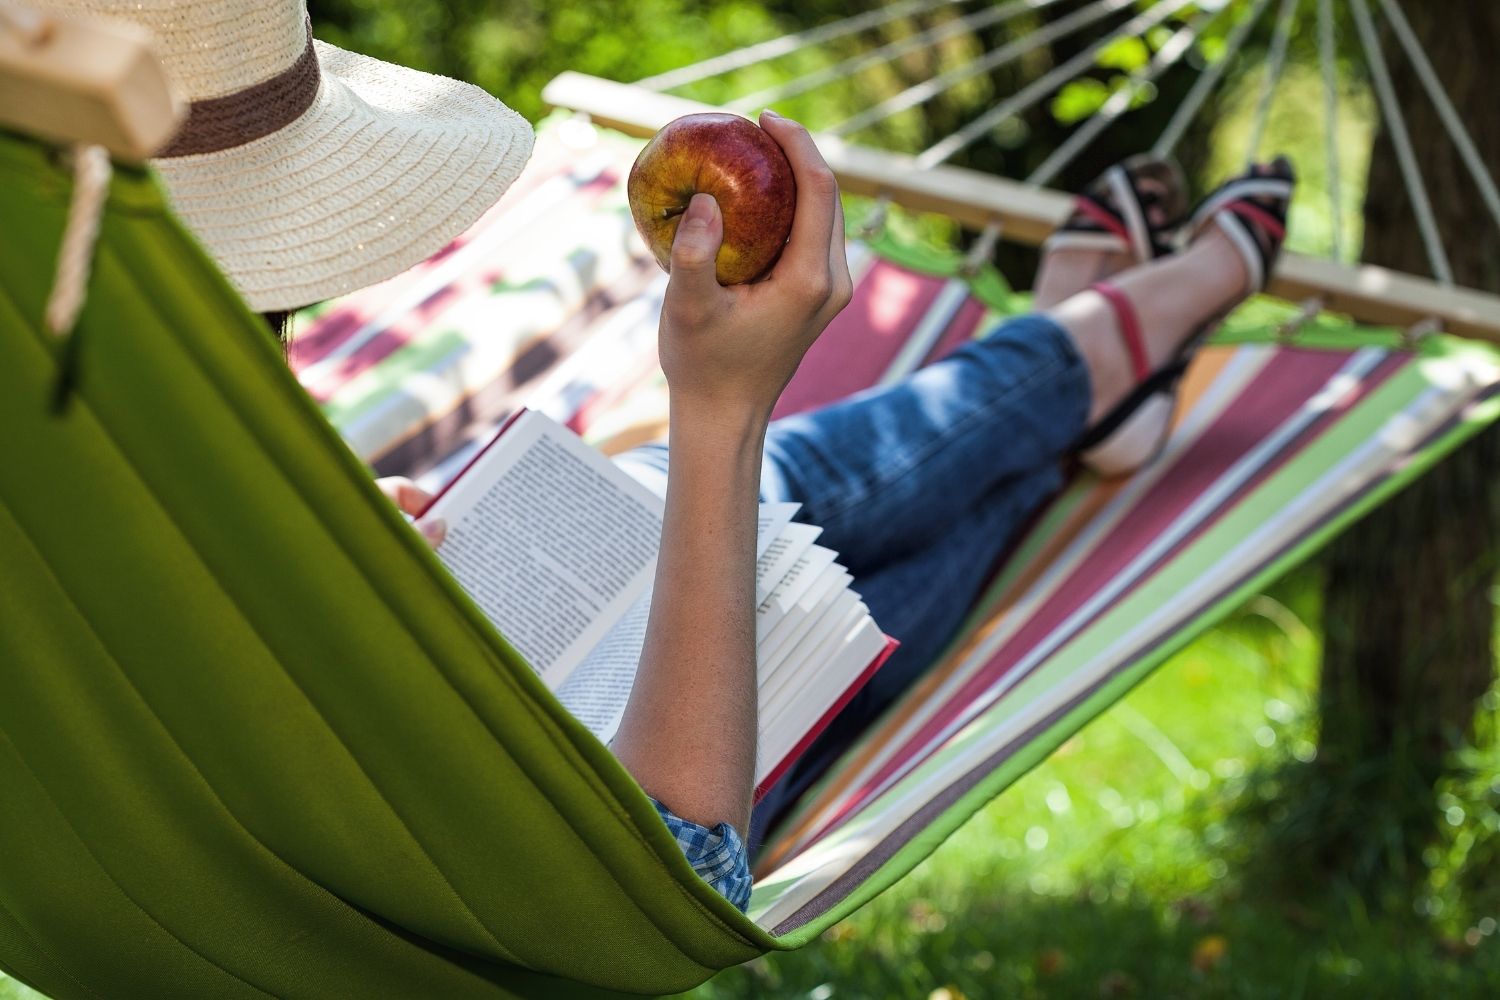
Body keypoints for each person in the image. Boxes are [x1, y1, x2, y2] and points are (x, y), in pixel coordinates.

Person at [37, 0, 1294, 913]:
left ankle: (1092, 395)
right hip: (581, 833)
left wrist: (338, 532)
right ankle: (1144, 318)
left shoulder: (60, 551)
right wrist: (718, 414)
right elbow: (686, 860)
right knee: (784, 513)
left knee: (846, 616)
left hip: (402, 805)